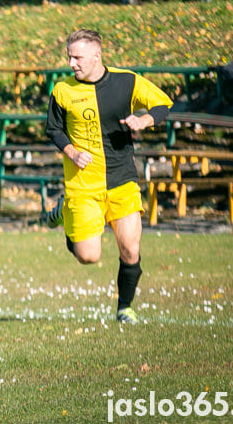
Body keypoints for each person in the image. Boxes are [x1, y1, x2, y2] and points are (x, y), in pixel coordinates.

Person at [44, 29, 173, 325]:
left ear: (96, 56)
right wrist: (72, 152)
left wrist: (145, 119)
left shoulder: (126, 81)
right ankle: (67, 212)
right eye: (69, 57)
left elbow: (162, 104)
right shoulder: (63, 90)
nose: (71, 63)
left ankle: (124, 308)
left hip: (122, 179)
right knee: (89, 256)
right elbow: (53, 129)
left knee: (130, 249)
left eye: (77, 57)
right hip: (83, 184)